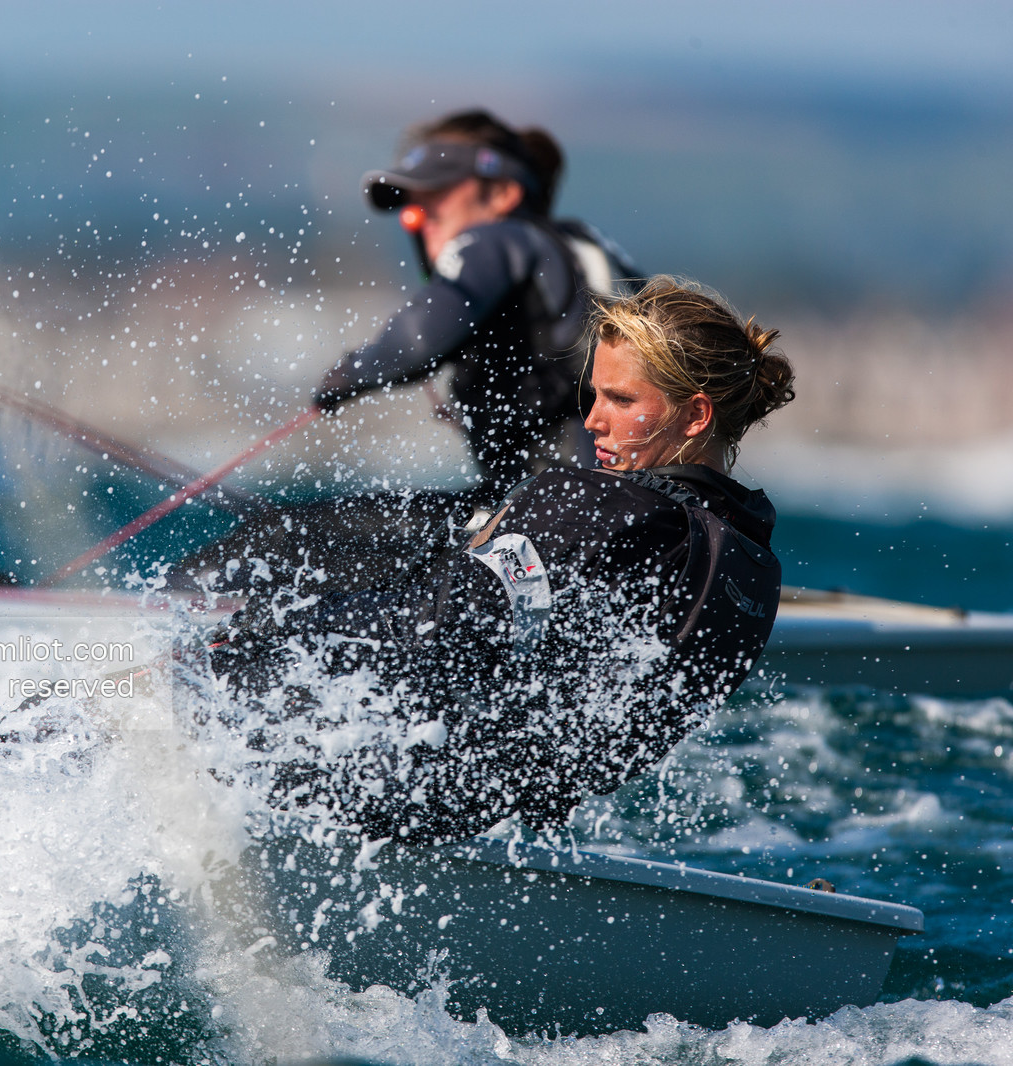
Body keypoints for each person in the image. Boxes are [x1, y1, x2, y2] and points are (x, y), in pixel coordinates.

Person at [209, 277, 796, 844]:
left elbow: (431, 627)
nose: (592, 420)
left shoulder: (594, 501)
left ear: (696, 416)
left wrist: (250, 631)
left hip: (375, 781)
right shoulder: (751, 564)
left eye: (620, 399)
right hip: (487, 808)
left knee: (263, 569)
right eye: (593, 395)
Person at [170, 109, 634, 594]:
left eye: (437, 197)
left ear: (502, 194)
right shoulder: (586, 255)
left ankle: (166, 630)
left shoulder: (497, 238)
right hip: (604, 525)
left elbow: (413, 344)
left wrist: (349, 373)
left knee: (278, 541)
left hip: (547, 522)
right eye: (411, 203)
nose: (417, 218)